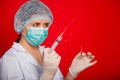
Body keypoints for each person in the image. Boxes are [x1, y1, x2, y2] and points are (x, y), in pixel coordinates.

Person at [0, 0, 97, 80]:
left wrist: (71, 74)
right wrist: (48, 74)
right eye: (36, 24)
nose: (42, 30)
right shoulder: (10, 60)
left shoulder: (46, 53)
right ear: (21, 25)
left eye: (46, 25)